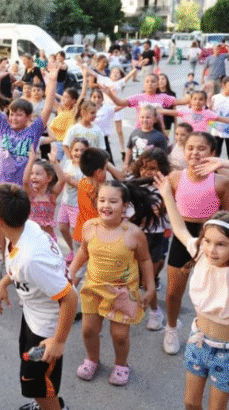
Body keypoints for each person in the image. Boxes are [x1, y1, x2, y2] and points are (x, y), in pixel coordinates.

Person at [156, 172, 229, 410]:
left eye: (221, 244)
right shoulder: (201, 254)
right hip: (198, 341)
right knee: (190, 403)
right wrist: (167, 194)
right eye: (207, 241)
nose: (211, 249)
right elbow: (179, 228)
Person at [0, 184, 79, 410]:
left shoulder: (31, 258)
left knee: (35, 382)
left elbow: (70, 298)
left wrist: (58, 341)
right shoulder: (23, 229)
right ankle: (48, 404)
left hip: (46, 330)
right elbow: (19, 268)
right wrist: (4, 282)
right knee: (37, 380)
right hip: (32, 317)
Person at [68, 180, 157, 386]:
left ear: (124, 206)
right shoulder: (89, 226)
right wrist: (70, 273)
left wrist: (150, 287)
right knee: (88, 330)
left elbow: (145, 260)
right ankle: (92, 360)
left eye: (113, 201)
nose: (106, 205)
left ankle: (121, 365)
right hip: (93, 288)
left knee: (119, 335)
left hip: (123, 293)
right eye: (102, 200)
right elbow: (83, 251)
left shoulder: (133, 233)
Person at [161, 132, 229, 356]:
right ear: (184, 152)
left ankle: (207, 330)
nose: (195, 152)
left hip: (211, 237)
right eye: (190, 148)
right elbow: (166, 206)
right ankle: (171, 328)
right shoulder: (175, 177)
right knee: (174, 291)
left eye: (201, 148)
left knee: (212, 291)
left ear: (213, 153)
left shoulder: (220, 182)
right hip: (182, 235)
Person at [0, 64, 56, 186]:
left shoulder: (33, 131)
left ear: (28, 117)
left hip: (22, 188)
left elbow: (47, 108)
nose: (14, 118)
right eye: (12, 114)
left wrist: (52, 81)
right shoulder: (3, 128)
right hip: (0, 186)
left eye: (19, 115)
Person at [128, 148, 172, 329]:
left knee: (149, 280)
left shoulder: (167, 185)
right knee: (135, 276)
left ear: (162, 169)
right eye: (144, 167)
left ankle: (155, 312)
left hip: (158, 235)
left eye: (153, 169)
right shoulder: (133, 183)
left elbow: (173, 210)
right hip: (136, 234)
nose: (147, 172)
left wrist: (164, 207)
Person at [72, 148, 122, 287]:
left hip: (79, 234)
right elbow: (122, 177)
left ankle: (67, 293)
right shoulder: (104, 192)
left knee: (76, 271)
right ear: (99, 172)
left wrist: (103, 164)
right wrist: (108, 165)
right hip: (96, 239)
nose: (108, 171)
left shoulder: (82, 183)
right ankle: (68, 295)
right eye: (106, 168)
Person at [23, 148, 65, 241]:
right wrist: (31, 161)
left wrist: (54, 162)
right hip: (32, 238)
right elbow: (25, 181)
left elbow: (62, 181)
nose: (34, 177)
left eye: (38, 174)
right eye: (32, 174)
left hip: (49, 239)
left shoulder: (51, 196)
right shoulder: (31, 195)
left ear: (49, 178)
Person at [160, 90, 229, 133]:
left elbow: (227, 120)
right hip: (187, 140)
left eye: (201, 99)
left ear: (205, 102)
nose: (197, 101)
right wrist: (156, 110)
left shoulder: (207, 113)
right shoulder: (185, 111)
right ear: (190, 101)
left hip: (201, 140)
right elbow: (167, 112)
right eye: (195, 99)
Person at [58, 139, 88, 265]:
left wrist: (71, 181)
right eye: (76, 150)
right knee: (62, 227)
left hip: (77, 205)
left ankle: (81, 254)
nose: (78, 153)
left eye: (82, 150)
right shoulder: (68, 163)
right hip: (65, 202)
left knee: (77, 233)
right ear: (71, 151)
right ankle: (72, 250)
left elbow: (87, 187)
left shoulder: (86, 168)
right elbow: (62, 178)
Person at [124, 105, 168, 169]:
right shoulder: (134, 133)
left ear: (154, 119)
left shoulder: (159, 137)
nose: (144, 120)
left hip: (149, 170)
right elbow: (129, 149)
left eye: (148, 117)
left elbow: (163, 157)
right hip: (134, 168)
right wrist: (126, 164)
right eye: (142, 117)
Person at [49, 88, 79, 162]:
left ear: (73, 100)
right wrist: (56, 94)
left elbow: (82, 96)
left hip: (69, 142)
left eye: (67, 97)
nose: (63, 98)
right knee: (54, 162)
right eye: (63, 96)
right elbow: (50, 96)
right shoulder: (60, 109)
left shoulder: (75, 110)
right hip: (57, 141)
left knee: (70, 162)